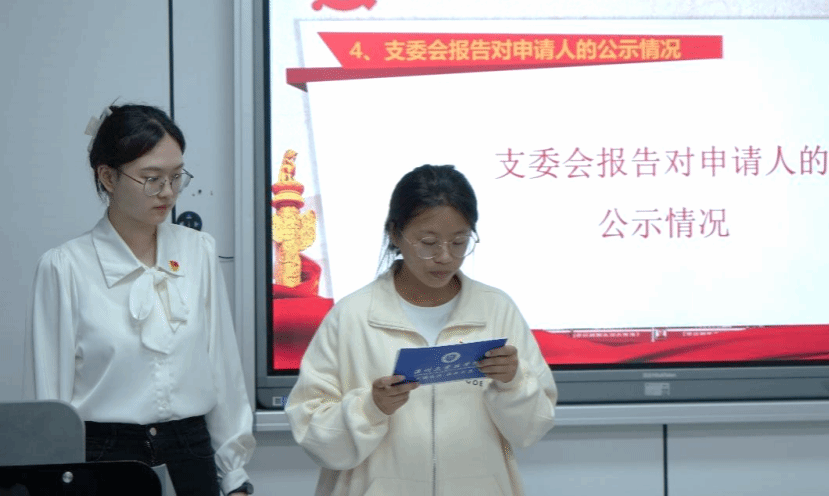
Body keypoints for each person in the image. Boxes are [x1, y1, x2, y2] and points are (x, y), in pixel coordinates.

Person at [285, 164, 557, 496]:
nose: (445, 257)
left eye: (459, 242)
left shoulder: (496, 309)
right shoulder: (352, 317)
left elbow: (531, 430)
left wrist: (513, 382)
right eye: (428, 242)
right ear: (395, 233)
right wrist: (371, 407)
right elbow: (314, 436)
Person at [28, 104, 256, 496]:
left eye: (176, 176)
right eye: (152, 179)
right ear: (108, 177)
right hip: (105, 460)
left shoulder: (198, 251)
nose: (167, 192)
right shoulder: (65, 268)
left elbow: (223, 367)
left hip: (191, 453)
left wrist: (234, 476)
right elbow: (50, 400)